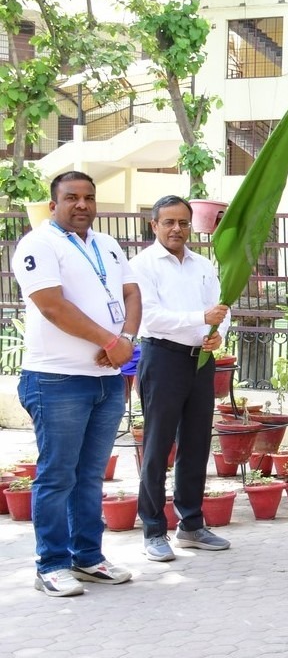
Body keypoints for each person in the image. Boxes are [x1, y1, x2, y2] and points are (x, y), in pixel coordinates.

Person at [12, 171, 141, 596]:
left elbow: (132, 295)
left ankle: (88, 558)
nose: (82, 205)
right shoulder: (38, 244)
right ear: (54, 204)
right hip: (57, 379)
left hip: (105, 379)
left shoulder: (107, 243)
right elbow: (52, 306)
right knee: (57, 476)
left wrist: (125, 341)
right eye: (71, 198)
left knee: (89, 476)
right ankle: (50, 564)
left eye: (88, 197)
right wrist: (108, 340)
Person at [130, 196, 233, 562]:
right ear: (154, 225)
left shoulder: (202, 264)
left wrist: (219, 331)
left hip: (201, 361)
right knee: (158, 447)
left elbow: (222, 308)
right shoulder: (141, 266)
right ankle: (153, 529)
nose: (177, 229)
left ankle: (190, 524)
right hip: (162, 359)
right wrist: (200, 318)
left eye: (183, 223)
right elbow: (151, 318)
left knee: (196, 444)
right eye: (169, 222)